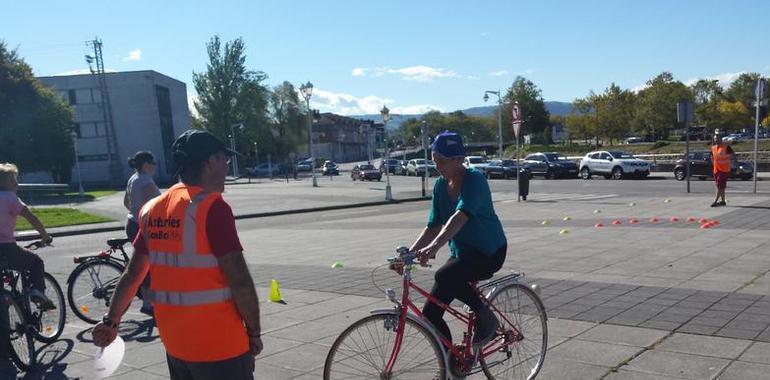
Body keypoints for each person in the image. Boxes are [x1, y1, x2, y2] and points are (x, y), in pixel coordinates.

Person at [93, 130, 263, 380]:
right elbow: (239, 280)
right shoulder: (213, 209)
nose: (227, 166)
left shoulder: (154, 208)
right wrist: (254, 331)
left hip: (177, 344)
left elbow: (134, 273)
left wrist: (111, 321)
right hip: (220, 344)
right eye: (224, 159)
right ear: (210, 161)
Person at [409, 131, 508, 351]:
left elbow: (460, 216)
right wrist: (409, 253)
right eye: (435, 161)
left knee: (444, 275)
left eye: (442, 161)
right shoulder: (439, 186)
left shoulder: (474, 179)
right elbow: (434, 225)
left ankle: (487, 319)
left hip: (489, 251)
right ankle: (451, 362)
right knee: (430, 314)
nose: (438, 166)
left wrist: (434, 247)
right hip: (462, 254)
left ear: (459, 159)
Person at [0, 163, 54, 309]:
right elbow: (31, 218)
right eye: (14, 180)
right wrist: (45, 236)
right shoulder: (10, 197)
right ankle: (37, 291)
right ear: (6, 183)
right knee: (36, 262)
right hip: (6, 247)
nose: (17, 183)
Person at [123, 151, 161, 315]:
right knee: (149, 266)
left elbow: (126, 201)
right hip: (142, 226)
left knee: (144, 262)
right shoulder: (146, 181)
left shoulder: (134, 178)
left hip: (131, 223)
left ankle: (148, 299)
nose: (155, 166)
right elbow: (157, 207)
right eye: (153, 163)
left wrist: (135, 211)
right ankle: (148, 304)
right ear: (146, 164)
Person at [710, 130, 736, 207]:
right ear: (714, 140)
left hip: (724, 170)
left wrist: (736, 166)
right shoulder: (713, 148)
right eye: (715, 139)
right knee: (721, 186)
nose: (717, 140)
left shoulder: (726, 147)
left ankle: (715, 201)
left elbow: (734, 156)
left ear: (721, 139)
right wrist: (713, 165)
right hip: (716, 170)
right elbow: (712, 157)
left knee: (719, 186)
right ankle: (723, 201)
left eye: (718, 138)